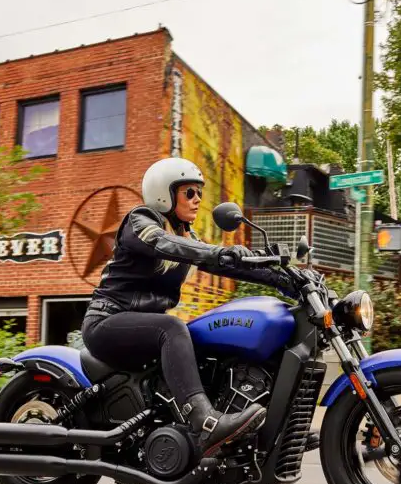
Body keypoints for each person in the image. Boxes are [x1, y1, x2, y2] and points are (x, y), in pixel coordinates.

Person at [81, 157, 295, 458]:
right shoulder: (140, 221)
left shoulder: (187, 237)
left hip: (143, 328)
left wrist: (284, 278)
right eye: (189, 193)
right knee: (173, 327)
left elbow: (225, 263)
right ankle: (204, 422)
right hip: (108, 321)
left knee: (204, 339)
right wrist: (220, 251)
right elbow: (163, 244)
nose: (197, 200)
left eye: (199, 193)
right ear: (164, 194)